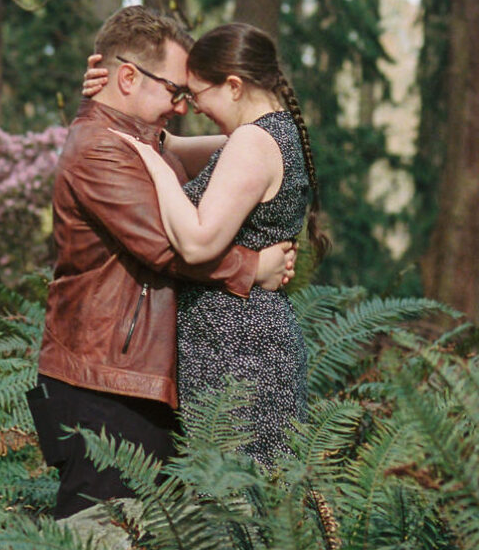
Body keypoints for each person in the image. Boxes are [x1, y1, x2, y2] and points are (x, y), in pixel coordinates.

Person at [30, 6, 297, 518]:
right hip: (103, 381)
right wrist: (252, 269)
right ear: (128, 76)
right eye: (175, 91)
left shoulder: (141, 140)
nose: (181, 106)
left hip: (132, 378)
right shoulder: (99, 148)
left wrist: (266, 137)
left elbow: (231, 151)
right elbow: (166, 245)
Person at [117, 23, 329, 465]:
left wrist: (152, 168)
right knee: (255, 508)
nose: (193, 107)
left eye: (197, 95)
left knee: (234, 505)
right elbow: (174, 144)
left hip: (237, 351)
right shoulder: (272, 132)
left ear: (233, 86)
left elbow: (196, 243)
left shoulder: (252, 143)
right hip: (244, 343)